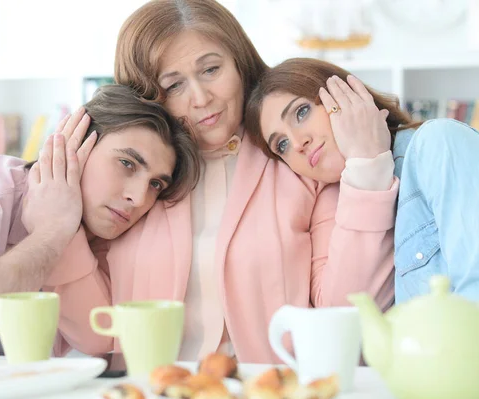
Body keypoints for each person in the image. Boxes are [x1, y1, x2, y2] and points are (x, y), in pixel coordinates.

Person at [59, 0, 397, 363]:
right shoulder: (134, 181)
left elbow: (344, 313)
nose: (202, 98)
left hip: (270, 389)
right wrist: (58, 228)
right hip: (153, 386)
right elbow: (96, 335)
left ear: (239, 62)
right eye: (173, 86)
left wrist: (366, 172)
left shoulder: (296, 157)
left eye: (211, 69)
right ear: (149, 96)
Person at [0, 84, 199, 354]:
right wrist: (51, 232)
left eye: (156, 184)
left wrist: (67, 233)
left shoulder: (105, 236)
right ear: (73, 146)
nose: (139, 198)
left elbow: (99, 339)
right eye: (127, 163)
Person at [245, 57, 479, 304]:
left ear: (345, 94)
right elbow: (343, 313)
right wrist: (365, 166)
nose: (296, 142)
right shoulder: (335, 213)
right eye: (281, 145)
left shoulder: (437, 143)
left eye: (301, 112)